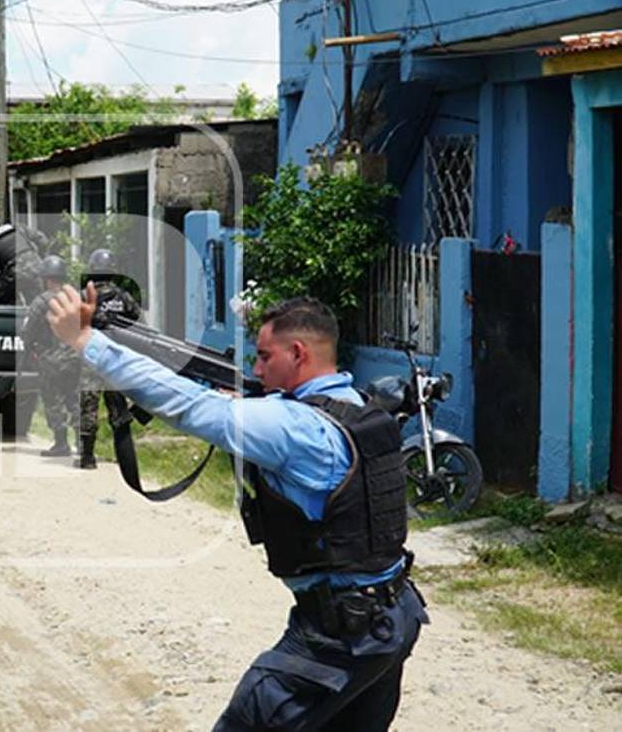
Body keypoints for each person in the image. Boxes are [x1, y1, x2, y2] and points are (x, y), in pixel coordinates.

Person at [47, 290, 426, 730]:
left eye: (265, 357)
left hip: (339, 636)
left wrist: (87, 342)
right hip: (393, 618)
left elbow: (189, 405)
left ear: (298, 353)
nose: (257, 369)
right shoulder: (355, 407)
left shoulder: (292, 426)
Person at [76, 249, 141, 470]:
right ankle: (124, 457)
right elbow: (136, 321)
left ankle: (87, 458)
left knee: (88, 408)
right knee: (119, 411)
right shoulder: (123, 297)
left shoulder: (84, 296)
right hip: (115, 358)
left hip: (91, 358)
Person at [21, 255, 80, 457]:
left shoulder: (41, 301)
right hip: (75, 357)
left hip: (51, 359)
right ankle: (83, 443)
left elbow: (28, 331)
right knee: (74, 399)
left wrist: (27, 350)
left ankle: (61, 443)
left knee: (53, 400)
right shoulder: (75, 297)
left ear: (46, 278)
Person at [0, 211, 45, 304]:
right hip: (38, 265)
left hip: (15, 273)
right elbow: (42, 239)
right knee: (41, 299)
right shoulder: (17, 228)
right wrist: (41, 256)